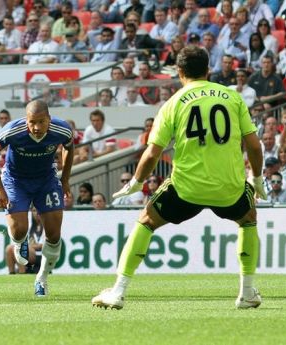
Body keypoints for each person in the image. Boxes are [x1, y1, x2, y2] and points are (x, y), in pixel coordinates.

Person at [92, 46, 266, 310]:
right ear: (209, 70)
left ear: (179, 71)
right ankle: (247, 292)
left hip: (186, 188)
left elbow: (152, 153)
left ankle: (118, 291)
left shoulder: (173, 102)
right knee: (248, 219)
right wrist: (258, 179)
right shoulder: (232, 97)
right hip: (229, 187)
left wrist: (136, 182)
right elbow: (254, 146)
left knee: (146, 221)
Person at [0, 100, 74, 297]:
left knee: (54, 234)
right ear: (26, 120)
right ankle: (20, 241)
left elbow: (69, 146)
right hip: (16, 180)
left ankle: (41, 279)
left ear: (49, 119)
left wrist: (65, 180)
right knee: (18, 230)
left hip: (46, 181)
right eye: (32, 122)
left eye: (41, 122)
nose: (36, 127)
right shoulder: (11, 131)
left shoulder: (62, 130)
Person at [5, 207, 44, 274]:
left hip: (41, 254)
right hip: (29, 251)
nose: (36, 213)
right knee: (9, 248)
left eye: (38, 210)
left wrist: (31, 246)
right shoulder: (30, 227)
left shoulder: (48, 226)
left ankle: (22, 272)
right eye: (34, 211)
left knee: (21, 248)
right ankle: (11, 273)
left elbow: (47, 245)